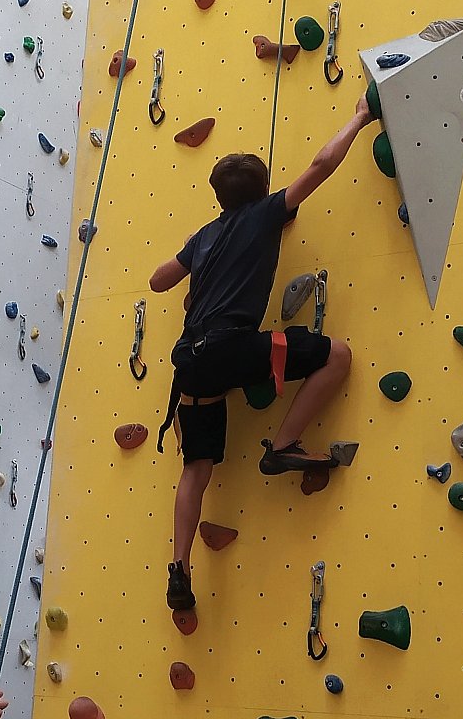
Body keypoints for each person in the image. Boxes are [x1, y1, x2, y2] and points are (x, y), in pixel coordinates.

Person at [148, 87, 375, 615]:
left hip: (191, 362)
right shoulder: (266, 213)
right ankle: (284, 443)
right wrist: (360, 117)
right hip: (234, 346)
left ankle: (179, 568)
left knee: (196, 467)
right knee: (337, 355)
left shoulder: (205, 236)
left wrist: (196, 269)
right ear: (264, 190)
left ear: (220, 198)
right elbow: (320, 166)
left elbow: (159, 281)